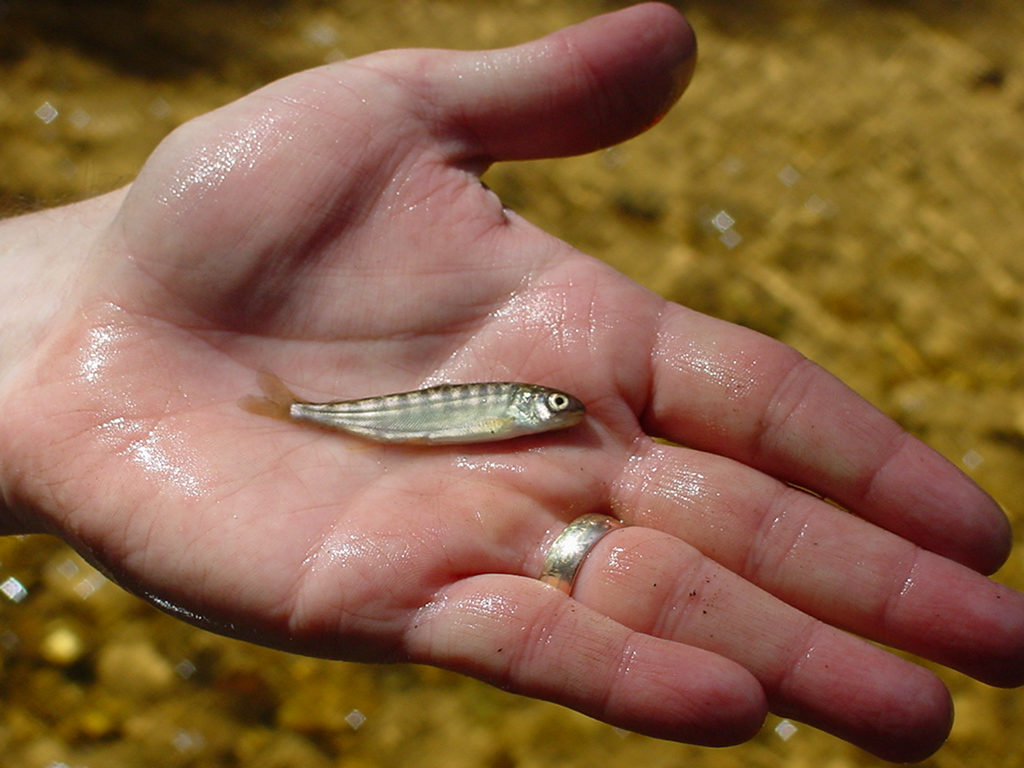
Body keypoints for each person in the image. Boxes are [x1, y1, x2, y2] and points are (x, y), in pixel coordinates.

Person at [0, 3, 1020, 762]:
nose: (554, 413)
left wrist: (47, 321)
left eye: (548, 410)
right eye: (550, 408)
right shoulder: (508, 408)